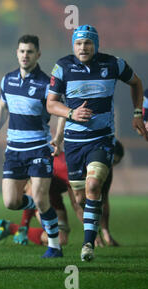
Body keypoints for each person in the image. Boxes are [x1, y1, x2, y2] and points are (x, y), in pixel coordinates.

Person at [46, 24, 147, 261]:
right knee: (80, 198)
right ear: (74, 45)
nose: (83, 47)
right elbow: (51, 104)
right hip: (74, 144)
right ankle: (94, 228)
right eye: (79, 43)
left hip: (101, 140)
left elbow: (137, 83)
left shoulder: (113, 64)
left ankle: (88, 245)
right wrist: (71, 114)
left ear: (96, 45)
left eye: (88, 43)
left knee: (93, 187)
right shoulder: (62, 67)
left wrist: (137, 113)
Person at [0, 35, 62, 258]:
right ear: (17, 53)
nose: (25, 55)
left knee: (40, 196)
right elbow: (2, 108)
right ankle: (40, 205)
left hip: (39, 148)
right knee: (11, 202)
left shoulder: (47, 83)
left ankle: (55, 246)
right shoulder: (7, 80)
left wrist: (58, 138)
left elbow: (61, 111)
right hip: (14, 150)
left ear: (38, 54)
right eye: (21, 51)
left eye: (29, 51)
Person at [0, 140, 125, 248]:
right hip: (40, 194)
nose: (111, 166)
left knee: (61, 239)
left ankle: (8, 227)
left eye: (114, 163)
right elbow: (76, 205)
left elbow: (103, 200)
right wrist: (25, 224)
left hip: (53, 195)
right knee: (38, 196)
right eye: (112, 161)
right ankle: (18, 228)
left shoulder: (103, 170)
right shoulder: (73, 164)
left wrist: (105, 231)